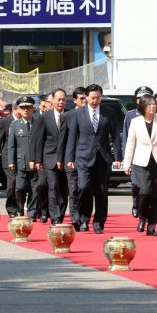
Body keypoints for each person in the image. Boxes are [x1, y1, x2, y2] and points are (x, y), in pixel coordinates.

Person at [64, 83, 122, 234]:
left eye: (98, 97)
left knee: (101, 192)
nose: (95, 100)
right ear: (87, 97)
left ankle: (99, 223)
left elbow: (115, 136)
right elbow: (72, 137)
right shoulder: (78, 113)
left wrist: (118, 157)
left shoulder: (108, 113)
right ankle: (84, 219)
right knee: (83, 187)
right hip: (83, 157)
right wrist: (70, 158)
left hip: (103, 158)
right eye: (92, 97)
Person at [123, 95, 157, 236]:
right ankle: (142, 217)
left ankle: (151, 226)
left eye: (154, 104)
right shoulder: (135, 122)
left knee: (156, 195)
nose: (152, 106)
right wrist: (127, 163)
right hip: (140, 162)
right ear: (143, 107)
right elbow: (130, 143)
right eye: (149, 104)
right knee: (145, 191)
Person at [32, 88, 70, 224]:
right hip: (49, 158)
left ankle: (61, 212)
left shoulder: (70, 116)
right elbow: (39, 140)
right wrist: (37, 160)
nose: (61, 102)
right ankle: (54, 216)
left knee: (64, 189)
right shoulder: (44, 117)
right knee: (52, 186)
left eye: (63, 100)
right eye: (59, 99)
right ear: (52, 100)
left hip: (66, 158)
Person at [121, 86, 154, 223]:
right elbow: (127, 138)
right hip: (136, 157)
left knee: (148, 187)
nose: (142, 101)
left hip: (152, 158)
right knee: (136, 184)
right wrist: (126, 159)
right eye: (139, 98)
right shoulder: (131, 115)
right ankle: (136, 204)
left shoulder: (156, 116)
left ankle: (146, 211)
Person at [8, 97, 39, 218]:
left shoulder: (38, 122)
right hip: (21, 162)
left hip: (36, 163)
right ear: (19, 110)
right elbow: (11, 146)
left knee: (34, 189)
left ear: (33, 109)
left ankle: (31, 213)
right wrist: (11, 161)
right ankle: (20, 208)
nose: (26, 110)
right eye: (23, 108)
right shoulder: (15, 125)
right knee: (19, 188)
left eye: (28, 107)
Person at [62, 87, 87, 230]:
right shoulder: (68, 116)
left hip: (86, 159)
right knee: (73, 190)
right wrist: (63, 159)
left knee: (84, 189)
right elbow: (63, 140)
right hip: (71, 159)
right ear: (75, 100)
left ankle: (84, 216)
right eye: (81, 98)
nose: (84, 101)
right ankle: (75, 219)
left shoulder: (91, 115)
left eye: (85, 98)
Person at [0, 104, 20, 217]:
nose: (23, 111)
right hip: (8, 158)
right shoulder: (5, 121)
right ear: (14, 109)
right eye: (21, 108)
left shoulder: (26, 120)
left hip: (22, 158)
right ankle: (12, 209)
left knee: (21, 185)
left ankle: (20, 208)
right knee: (12, 183)